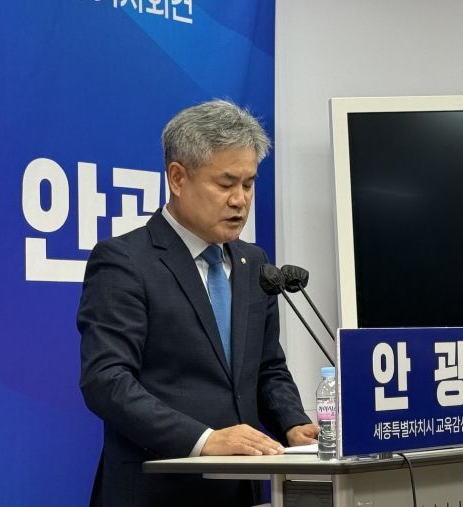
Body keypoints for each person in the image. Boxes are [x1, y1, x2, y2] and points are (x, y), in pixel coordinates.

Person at [78, 99, 317, 507]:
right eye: (225, 184)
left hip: (241, 490)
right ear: (177, 178)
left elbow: (267, 368)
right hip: (158, 492)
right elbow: (107, 381)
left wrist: (293, 424)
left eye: (248, 184)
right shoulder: (125, 261)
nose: (240, 200)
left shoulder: (254, 263)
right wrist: (204, 440)